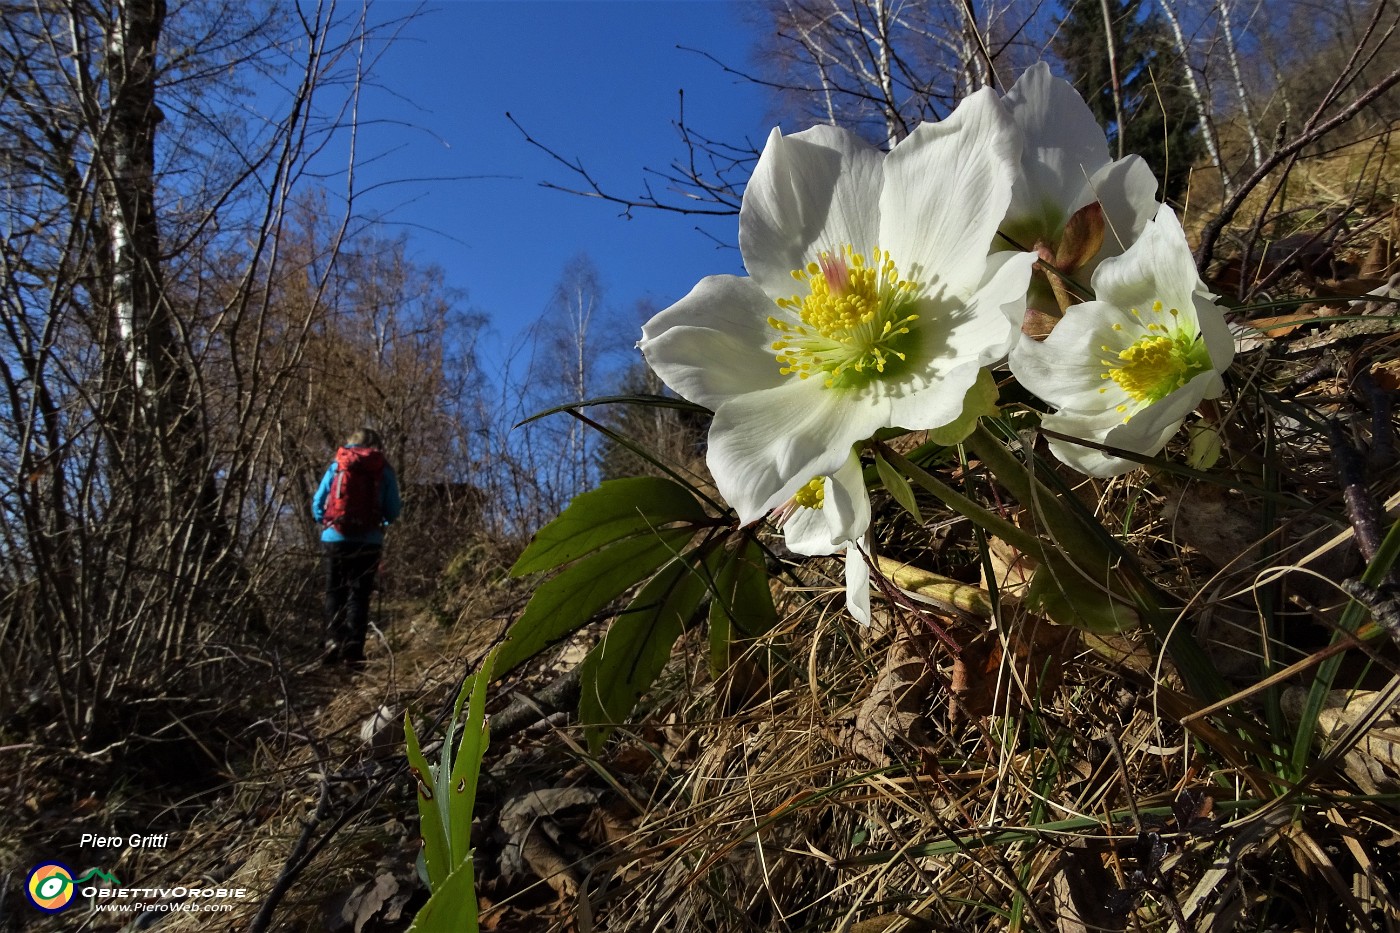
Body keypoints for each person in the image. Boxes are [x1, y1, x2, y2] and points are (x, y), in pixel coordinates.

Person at [311, 428, 402, 666]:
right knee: (359, 595)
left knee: (334, 591)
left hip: (334, 538)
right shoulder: (382, 468)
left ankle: (332, 641)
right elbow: (393, 510)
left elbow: (318, 503)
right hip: (369, 541)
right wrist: (378, 521)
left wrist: (328, 522)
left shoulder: (338, 464)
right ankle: (353, 651)